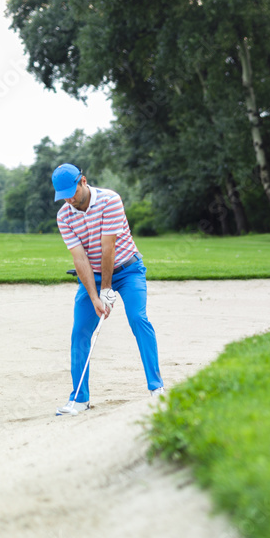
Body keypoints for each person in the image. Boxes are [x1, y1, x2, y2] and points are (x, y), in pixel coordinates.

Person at [51, 163, 164, 415]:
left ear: (83, 181)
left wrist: (107, 289)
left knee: (138, 318)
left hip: (129, 270)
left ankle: (156, 387)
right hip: (93, 275)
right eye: (64, 196)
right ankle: (79, 399)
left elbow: (108, 248)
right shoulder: (64, 216)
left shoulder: (109, 200)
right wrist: (95, 296)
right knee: (80, 331)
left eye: (73, 192)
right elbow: (80, 259)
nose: (70, 199)